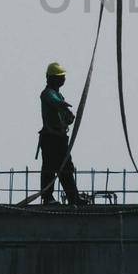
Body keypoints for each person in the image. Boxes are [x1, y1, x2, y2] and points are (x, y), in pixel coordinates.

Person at [38, 62, 85, 206]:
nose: (62, 80)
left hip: (60, 137)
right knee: (49, 168)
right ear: (51, 78)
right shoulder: (47, 93)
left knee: (66, 168)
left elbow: (64, 116)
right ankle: (48, 198)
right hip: (50, 138)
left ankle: (73, 197)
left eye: (62, 77)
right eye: (59, 77)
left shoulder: (59, 94)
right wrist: (62, 105)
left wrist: (69, 117)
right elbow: (54, 101)